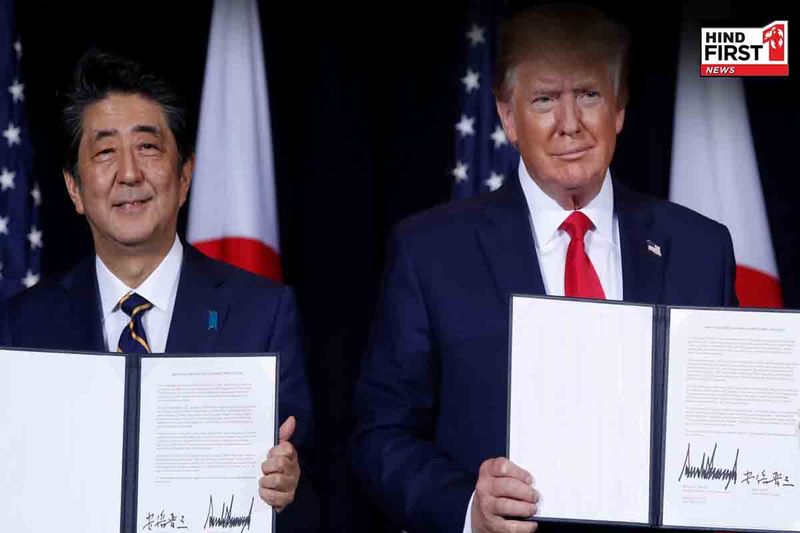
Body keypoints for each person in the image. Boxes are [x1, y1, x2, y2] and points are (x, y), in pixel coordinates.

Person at [351, 4, 737, 533]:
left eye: (589, 95)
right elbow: (380, 434)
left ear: (619, 110)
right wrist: (469, 508)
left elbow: (729, 421)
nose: (570, 124)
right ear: (508, 119)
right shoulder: (430, 252)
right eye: (544, 99)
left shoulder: (700, 248)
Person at [0, 50, 319, 531]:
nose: (129, 173)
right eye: (105, 152)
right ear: (74, 188)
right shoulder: (21, 326)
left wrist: (289, 487)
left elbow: (314, 493)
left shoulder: (262, 313)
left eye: (148, 147)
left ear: (185, 175)